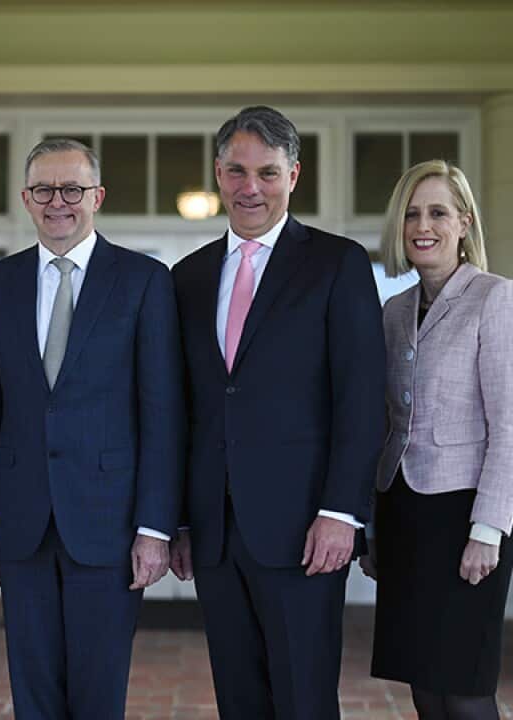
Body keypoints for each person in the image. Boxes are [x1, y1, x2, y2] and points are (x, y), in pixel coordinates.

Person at [168, 106, 386, 719]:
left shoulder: (336, 264)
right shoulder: (186, 278)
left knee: (304, 701)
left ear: (294, 175)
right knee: (239, 700)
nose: (250, 187)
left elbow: (361, 398)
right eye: (236, 171)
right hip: (214, 532)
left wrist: (342, 512)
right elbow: (184, 409)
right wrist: (182, 520)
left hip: (304, 531)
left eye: (266, 172)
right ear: (218, 173)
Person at [0, 138, 184, 719]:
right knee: (32, 693)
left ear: (98, 197)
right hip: (21, 520)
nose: (58, 201)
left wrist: (155, 527)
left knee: (98, 691)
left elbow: (162, 413)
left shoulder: (143, 280)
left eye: (73, 189)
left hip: (109, 523)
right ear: (26, 199)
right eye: (44, 190)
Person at [359, 160, 513, 720]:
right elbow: (383, 424)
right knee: (423, 684)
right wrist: (373, 525)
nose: (424, 225)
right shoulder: (394, 311)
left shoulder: (496, 299)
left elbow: (510, 427)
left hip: (464, 521)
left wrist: (489, 531)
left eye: (439, 212)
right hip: (404, 516)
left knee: (465, 689)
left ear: (465, 223)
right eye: (413, 213)